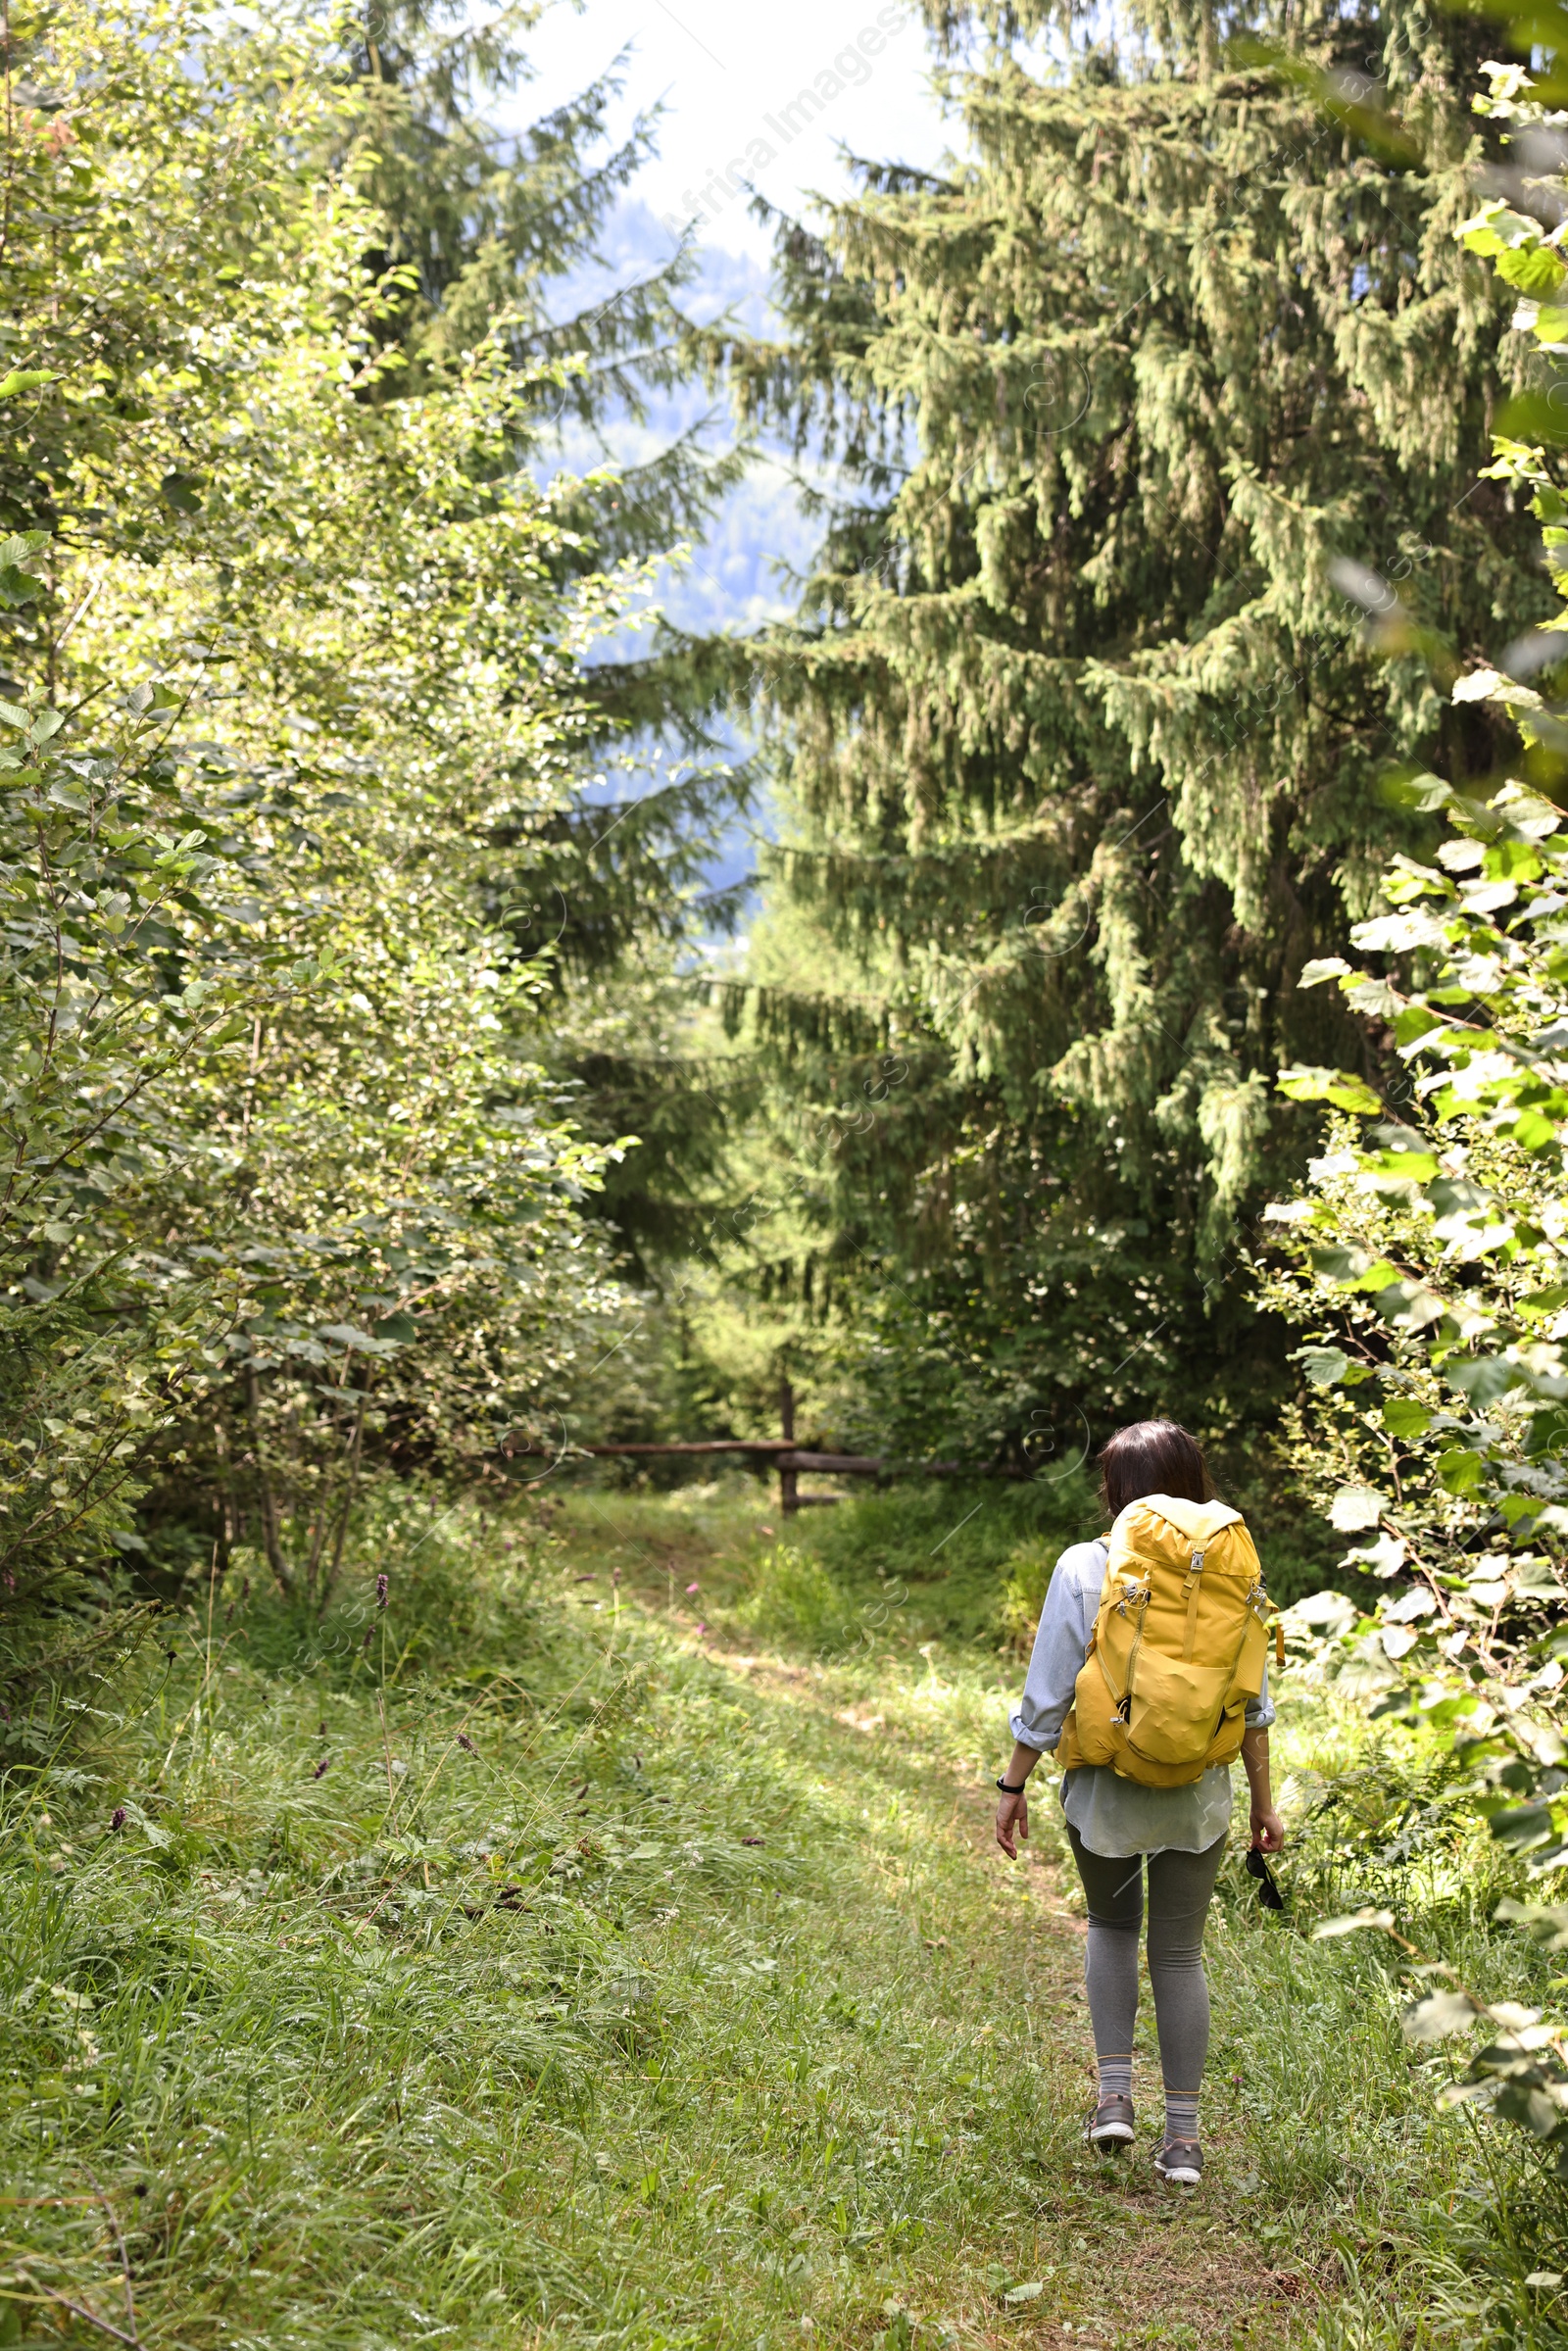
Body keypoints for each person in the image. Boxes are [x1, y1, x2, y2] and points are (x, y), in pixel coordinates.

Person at [994, 1419, 1284, 2186]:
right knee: (1181, 1953)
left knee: (1114, 1928)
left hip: (1108, 1790)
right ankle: (1183, 2141)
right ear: (1196, 1481)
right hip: (1199, 1793)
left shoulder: (1087, 1565)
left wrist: (1013, 1781)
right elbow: (1252, 1701)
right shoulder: (1234, 1567)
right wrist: (1264, 1800)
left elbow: (1049, 1691)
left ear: (1117, 1490)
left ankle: (1115, 2097)